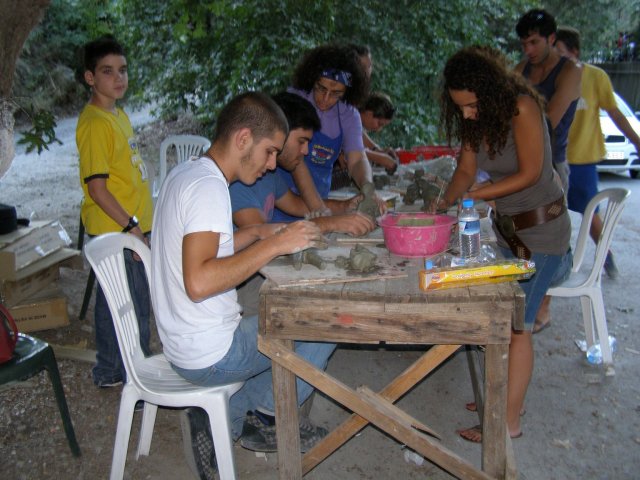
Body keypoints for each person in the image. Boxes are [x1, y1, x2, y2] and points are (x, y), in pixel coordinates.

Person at [150, 92, 336, 478]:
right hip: (211, 354)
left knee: (286, 314)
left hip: (184, 343)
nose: (272, 165)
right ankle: (257, 416)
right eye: (269, 152)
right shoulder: (209, 188)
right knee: (326, 320)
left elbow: (201, 250)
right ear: (243, 138)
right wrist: (275, 245)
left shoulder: (187, 173)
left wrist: (256, 233)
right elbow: (199, 281)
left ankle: (225, 413)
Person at [436, 46, 572, 442]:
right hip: (508, 230)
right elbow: (465, 170)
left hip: (543, 232)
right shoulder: (475, 120)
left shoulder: (522, 108)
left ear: (491, 92)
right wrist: (442, 205)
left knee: (517, 326)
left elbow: (531, 173)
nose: (466, 114)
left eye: (471, 105)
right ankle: (506, 396)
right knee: (501, 314)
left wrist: (478, 195)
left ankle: (507, 423)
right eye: (459, 107)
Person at [531, 27, 640, 333]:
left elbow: (616, 114)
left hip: (582, 161)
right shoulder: (542, 75)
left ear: (574, 52)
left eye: (561, 52)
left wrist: (636, 141)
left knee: (587, 216)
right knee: (552, 224)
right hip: (554, 160)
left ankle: (604, 254)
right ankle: (544, 298)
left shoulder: (594, 77)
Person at [76, 35, 153, 388]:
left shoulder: (118, 115)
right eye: (107, 71)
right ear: (90, 77)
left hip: (127, 227)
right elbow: (97, 188)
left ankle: (112, 370)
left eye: (122, 70)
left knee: (117, 301)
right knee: (130, 304)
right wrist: (132, 227)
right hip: (117, 230)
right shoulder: (95, 123)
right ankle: (132, 373)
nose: (118, 78)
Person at [230, 92, 376, 235]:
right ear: (281, 133)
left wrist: (346, 206)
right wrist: (330, 223)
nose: (306, 151)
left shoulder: (269, 174)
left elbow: (298, 204)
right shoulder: (240, 180)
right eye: (301, 141)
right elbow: (263, 234)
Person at [274, 43, 383, 222]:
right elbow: (297, 161)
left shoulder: (348, 114)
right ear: (312, 78)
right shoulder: (295, 100)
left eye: (336, 93)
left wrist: (367, 188)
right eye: (321, 88)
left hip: (320, 204)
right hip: (283, 205)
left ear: (348, 91)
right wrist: (320, 211)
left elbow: (357, 160)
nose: (325, 99)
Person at [515, 8, 582, 194]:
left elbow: (548, 121)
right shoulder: (521, 69)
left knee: (552, 213)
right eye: (524, 44)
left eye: (534, 42)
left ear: (551, 38)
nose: (528, 50)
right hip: (519, 162)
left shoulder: (570, 70)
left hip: (552, 165)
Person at [358, 92, 399, 174]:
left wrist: (379, 151)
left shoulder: (357, 121)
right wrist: (379, 158)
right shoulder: (348, 115)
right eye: (380, 124)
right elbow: (350, 150)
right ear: (369, 113)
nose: (378, 130)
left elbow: (359, 134)